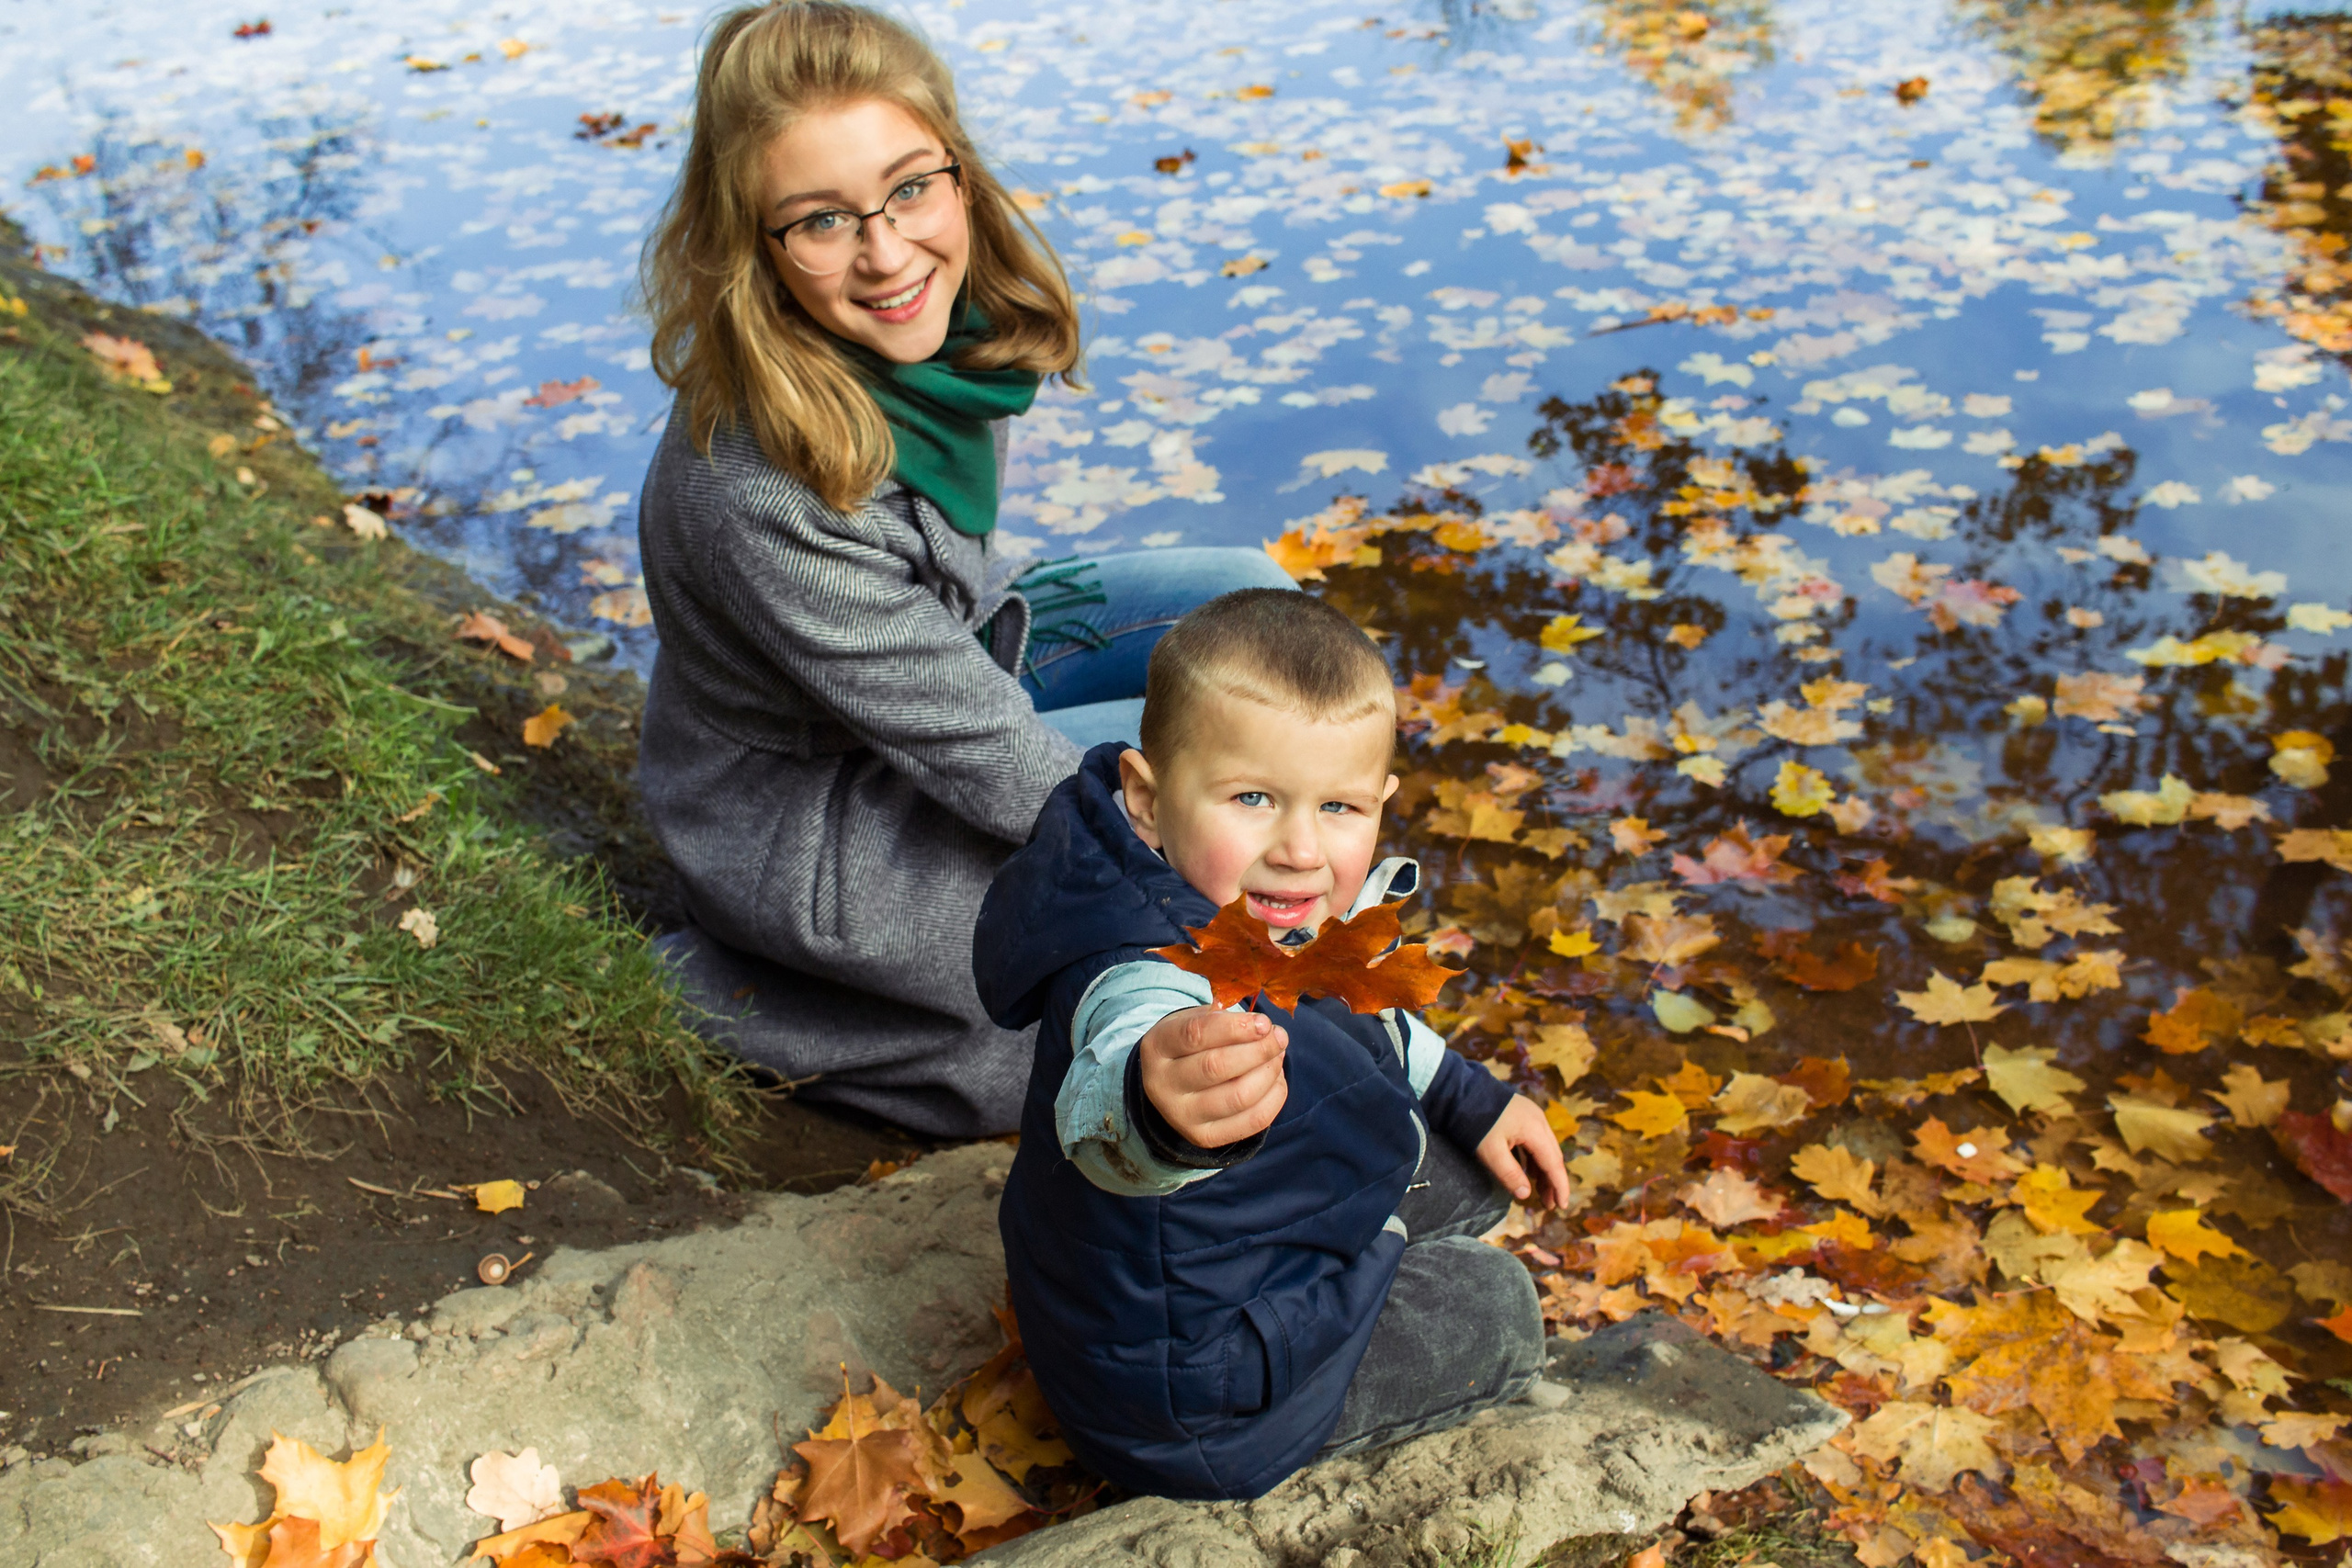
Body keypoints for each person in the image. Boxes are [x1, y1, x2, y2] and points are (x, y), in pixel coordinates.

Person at [631, 0, 1294, 1136]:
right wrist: (1237, 884)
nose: (887, 253)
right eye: (821, 220)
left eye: (907, 190)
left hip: (932, 679)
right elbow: (983, 752)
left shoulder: (941, 344)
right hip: (816, 818)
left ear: (958, 174)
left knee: (1263, 619)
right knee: (1206, 813)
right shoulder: (756, 489)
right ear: (755, 243)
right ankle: (732, 986)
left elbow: (939, 657)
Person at [973, 590, 1572, 1500]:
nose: (1299, 848)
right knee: (1498, 1309)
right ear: (1146, 797)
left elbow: (1357, 1005)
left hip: (1203, 1269)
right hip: (1195, 1399)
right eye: (1252, 797)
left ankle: (1386, 1226)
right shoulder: (1148, 974)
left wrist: (1468, 1093)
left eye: (1337, 807)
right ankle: (1374, 1290)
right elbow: (1114, 1081)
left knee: (1477, 1161)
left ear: (1380, 802)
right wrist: (1156, 1108)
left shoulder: (1261, 902)